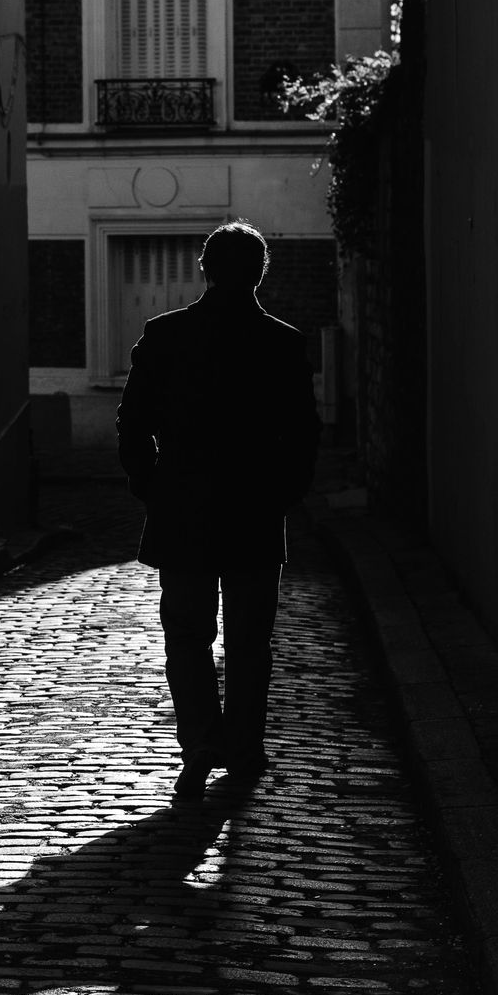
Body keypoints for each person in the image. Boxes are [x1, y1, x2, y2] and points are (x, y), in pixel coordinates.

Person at [116, 220, 321, 801]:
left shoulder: (165, 336)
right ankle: (245, 749)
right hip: (256, 508)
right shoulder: (281, 343)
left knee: (186, 633)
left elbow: (133, 424)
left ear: (204, 269)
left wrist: (150, 486)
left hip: (183, 508)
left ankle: (201, 743)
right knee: (252, 639)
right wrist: (286, 494)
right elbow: (303, 434)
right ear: (260, 272)